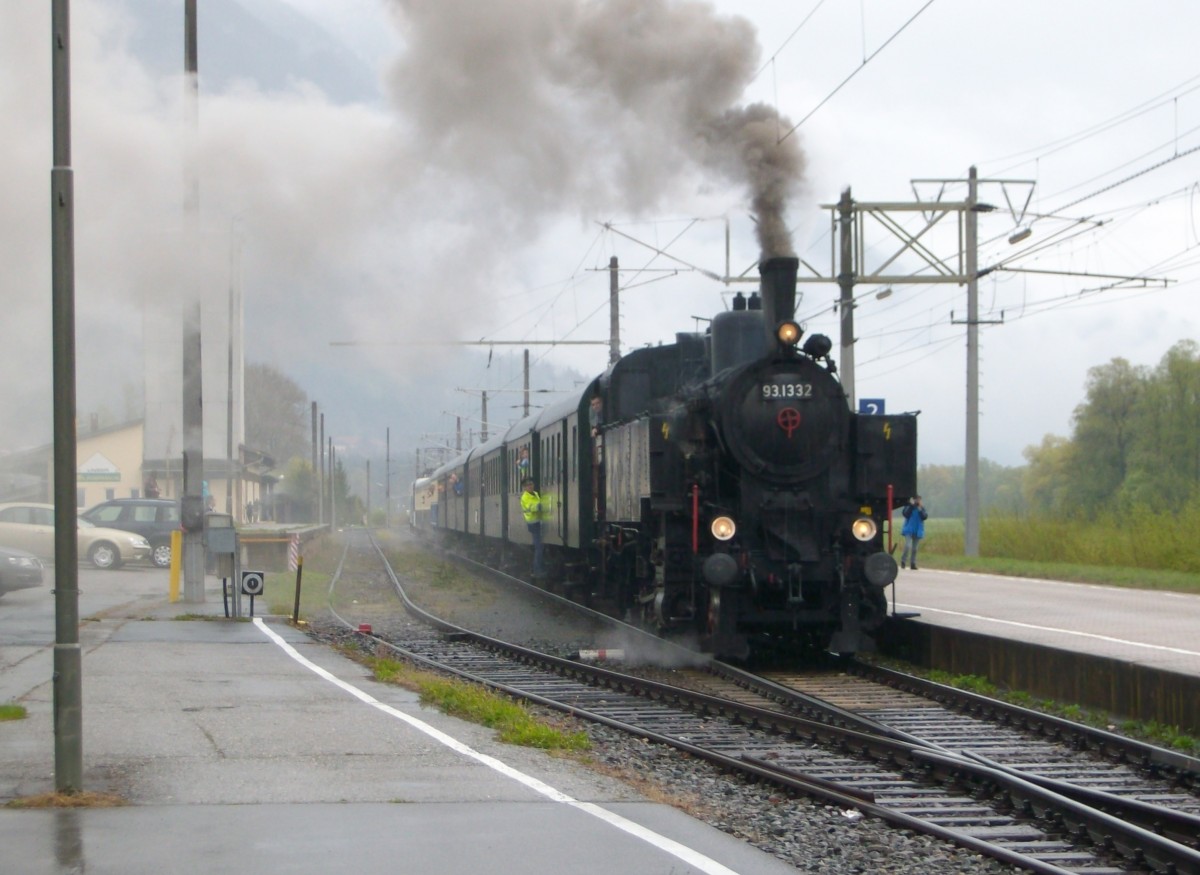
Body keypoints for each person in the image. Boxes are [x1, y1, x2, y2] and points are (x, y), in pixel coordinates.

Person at [520, 477, 545, 577]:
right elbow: (531, 507)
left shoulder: (535, 494)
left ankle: (538, 568)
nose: (530, 486)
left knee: (540, 546)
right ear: (524, 487)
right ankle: (537, 570)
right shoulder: (524, 497)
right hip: (533, 524)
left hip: (538, 522)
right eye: (528, 485)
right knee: (538, 547)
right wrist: (540, 506)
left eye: (531, 484)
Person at [900, 495, 928, 570]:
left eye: (919, 500)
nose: (917, 501)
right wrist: (911, 506)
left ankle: (913, 563)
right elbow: (906, 514)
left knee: (915, 548)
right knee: (908, 546)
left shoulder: (921, 508)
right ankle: (903, 561)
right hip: (909, 529)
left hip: (917, 530)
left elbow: (924, 517)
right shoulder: (909, 507)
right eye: (916, 500)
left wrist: (920, 509)